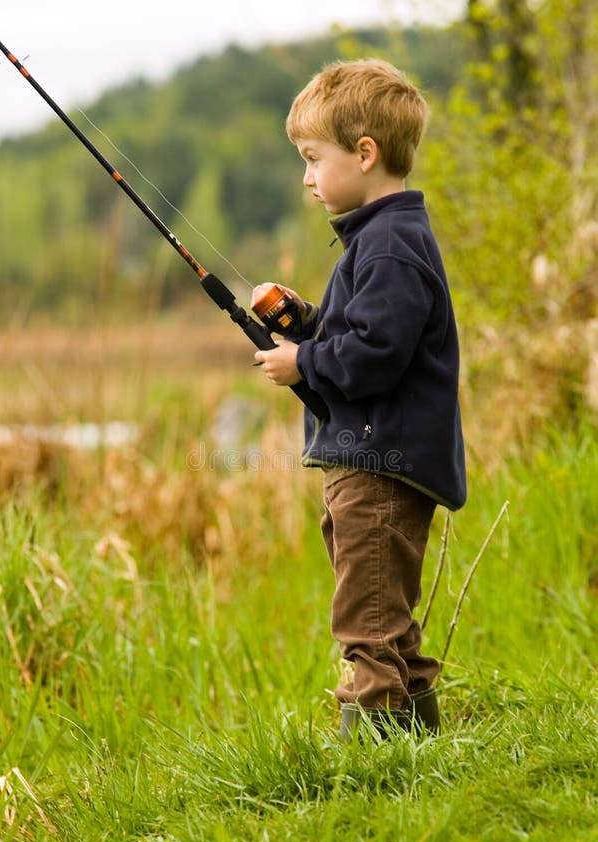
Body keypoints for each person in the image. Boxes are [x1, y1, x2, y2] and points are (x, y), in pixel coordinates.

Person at [252, 59, 466, 740]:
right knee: (384, 611)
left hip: (380, 461)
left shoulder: (388, 247)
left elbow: (374, 356)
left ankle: (372, 752)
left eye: (313, 159)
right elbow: (369, 334)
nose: (307, 178)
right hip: (376, 455)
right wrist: (309, 325)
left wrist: (302, 361)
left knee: (364, 617)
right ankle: (417, 735)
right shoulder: (383, 240)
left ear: (364, 154)